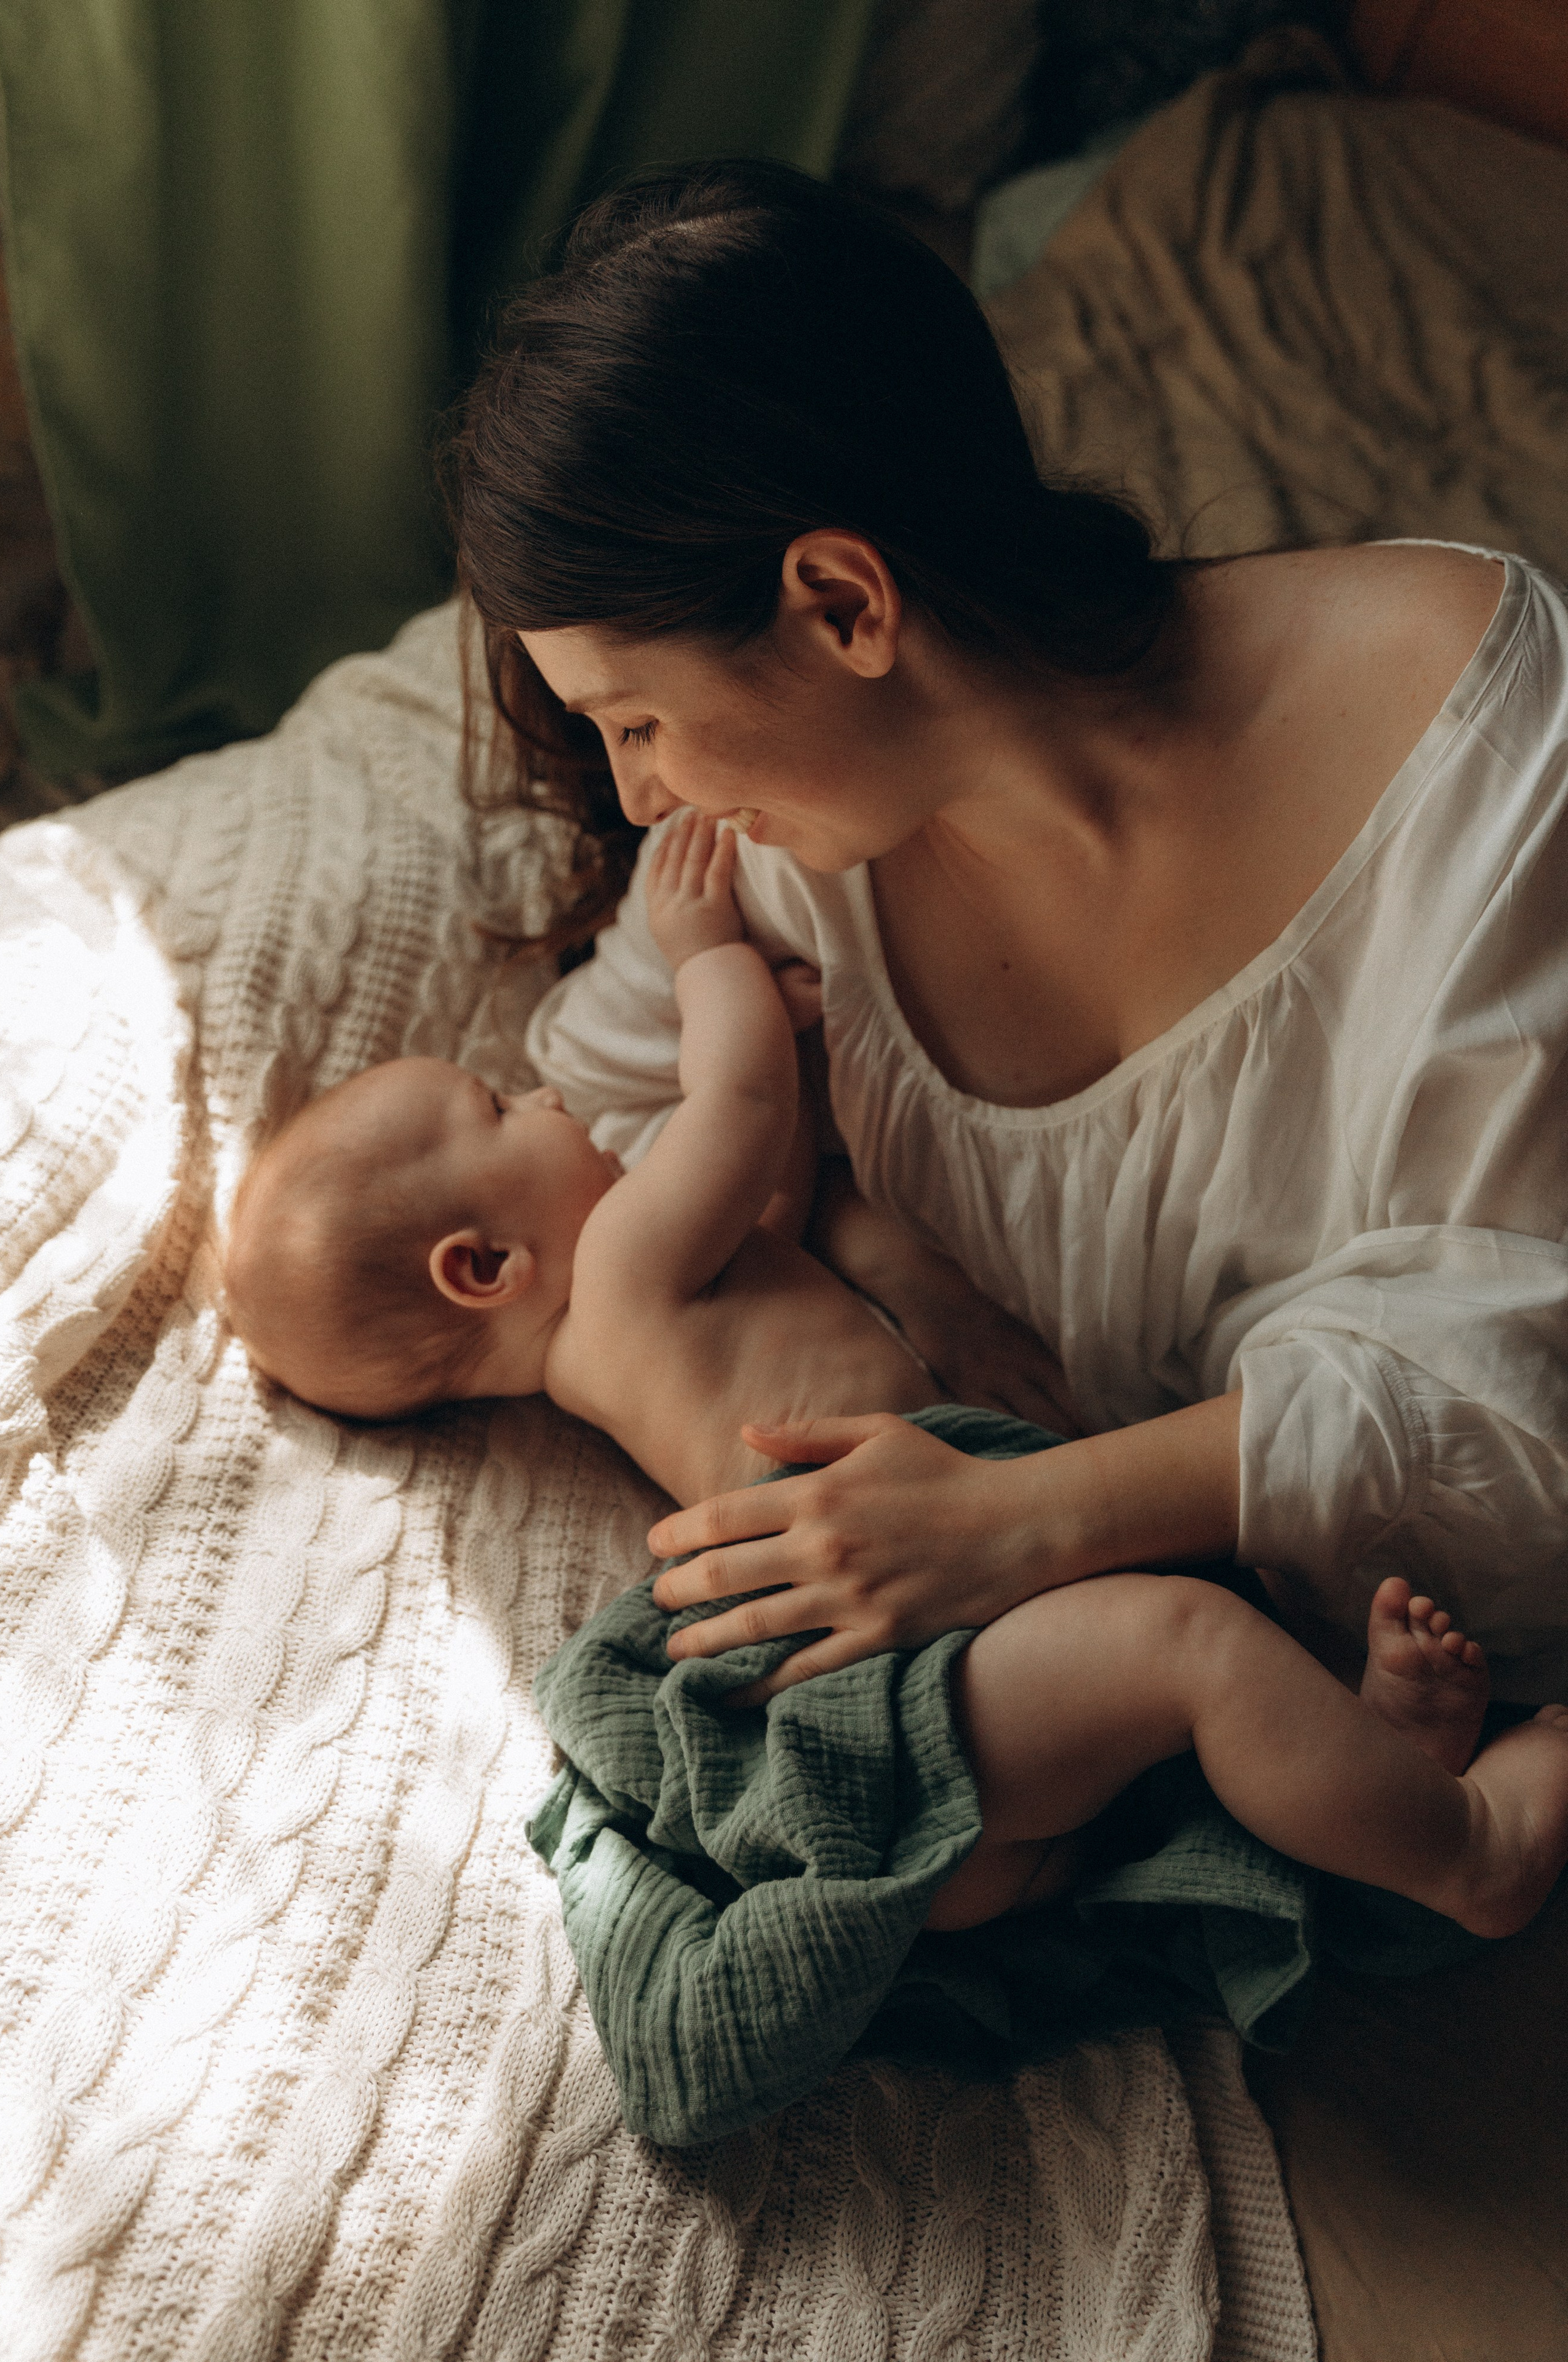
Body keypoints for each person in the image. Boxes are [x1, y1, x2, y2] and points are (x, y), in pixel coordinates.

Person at [447, 157, 1568, 1705]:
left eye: (639, 722)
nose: (639, 798)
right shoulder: (777, 855)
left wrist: (1028, 1514)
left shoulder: (1475, 742)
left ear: (842, 604)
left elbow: (1527, 1408)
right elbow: (617, 1118)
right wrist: (884, 1252)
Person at [223, 808, 1568, 1947]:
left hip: (947, 1678)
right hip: (917, 1676)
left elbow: (778, 1184)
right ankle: (1465, 1855)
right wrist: (710, 966)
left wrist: (789, 1057)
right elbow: (736, 1115)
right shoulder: (623, 1267)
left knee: (1202, 1639)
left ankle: (1368, 1741)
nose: (548, 1098)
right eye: (499, 1111)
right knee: (1194, 1646)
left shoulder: (633, 1325)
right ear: (482, 1267)